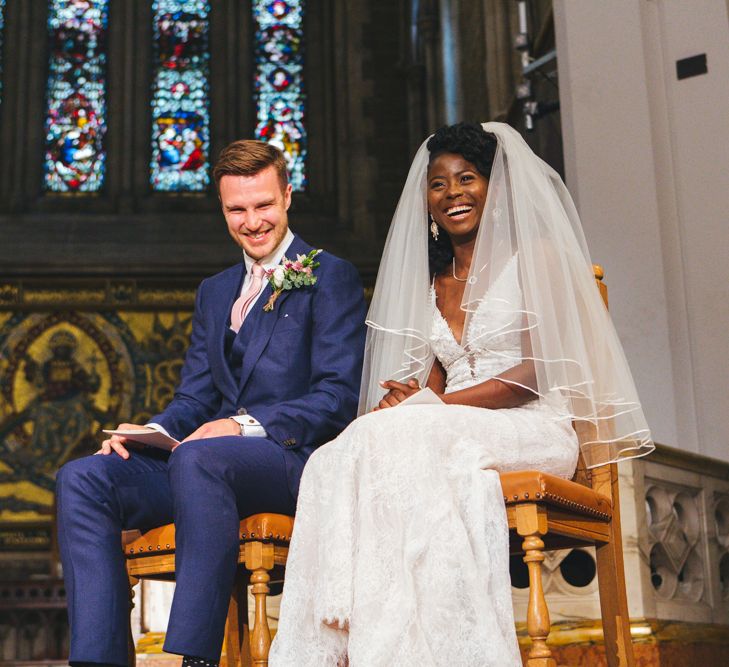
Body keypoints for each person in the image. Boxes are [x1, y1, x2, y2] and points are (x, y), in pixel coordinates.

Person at [270, 122, 653, 666]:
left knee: (408, 438)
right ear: (424, 200)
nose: (453, 193)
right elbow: (435, 381)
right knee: (339, 453)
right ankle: (346, 633)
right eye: (439, 184)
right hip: (454, 426)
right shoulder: (433, 282)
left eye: (467, 178)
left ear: (495, 187)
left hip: (535, 425)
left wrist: (435, 409)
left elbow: (538, 371)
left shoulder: (536, 258)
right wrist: (408, 400)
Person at [55, 140, 367, 667]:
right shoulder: (214, 290)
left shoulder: (328, 276)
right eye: (236, 209)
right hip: (205, 468)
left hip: (291, 460)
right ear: (223, 210)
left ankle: (193, 656)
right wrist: (148, 431)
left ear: (287, 197)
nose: (252, 222)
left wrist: (241, 425)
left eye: (263, 205)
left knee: (201, 457)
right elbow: (194, 397)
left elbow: (337, 398)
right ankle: (100, 659)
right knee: (82, 478)